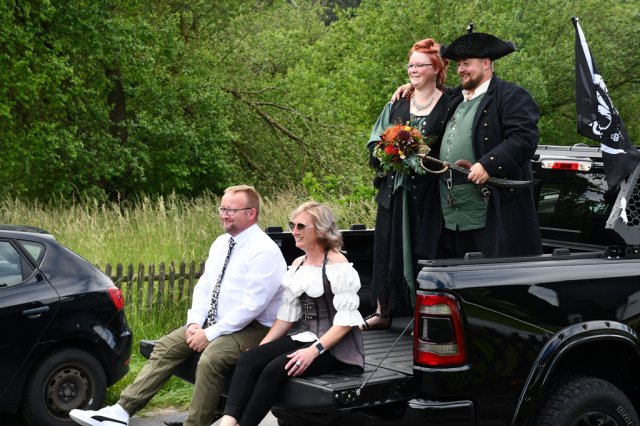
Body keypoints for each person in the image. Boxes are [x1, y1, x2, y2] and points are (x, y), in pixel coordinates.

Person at [69, 185, 287, 426]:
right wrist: (194, 323)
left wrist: (209, 334)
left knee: (211, 359)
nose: (224, 215)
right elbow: (205, 285)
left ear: (251, 213)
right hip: (216, 322)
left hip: (254, 328)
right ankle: (120, 412)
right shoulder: (221, 243)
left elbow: (252, 306)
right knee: (166, 346)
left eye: (231, 210)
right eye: (222, 208)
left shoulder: (263, 251)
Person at [392, 29, 542, 259]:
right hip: (449, 212)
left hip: (490, 211)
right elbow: (431, 91)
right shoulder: (455, 97)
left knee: (486, 277)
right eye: (458, 64)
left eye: (466, 63)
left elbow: (524, 138)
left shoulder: (511, 95)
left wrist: (487, 165)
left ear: (486, 63)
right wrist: (413, 85)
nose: (461, 69)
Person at [218, 201, 365, 426]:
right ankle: (227, 423)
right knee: (249, 359)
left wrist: (313, 351)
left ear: (321, 230)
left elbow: (345, 322)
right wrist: (261, 347)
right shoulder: (298, 264)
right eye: (292, 225)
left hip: (336, 348)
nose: (294, 231)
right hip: (306, 336)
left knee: (275, 369)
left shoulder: (337, 263)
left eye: (301, 226)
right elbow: (286, 316)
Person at [361, 38, 450, 330]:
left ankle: (424, 315)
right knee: (386, 248)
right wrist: (388, 153)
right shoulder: (398, 102)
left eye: (420, 65)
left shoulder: (450, 103)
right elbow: (375, 140)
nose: (412, 70)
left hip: (429, 194)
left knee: (425, 249)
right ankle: (383, 310)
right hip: (394, 192)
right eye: (410, 65)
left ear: (436, 69)